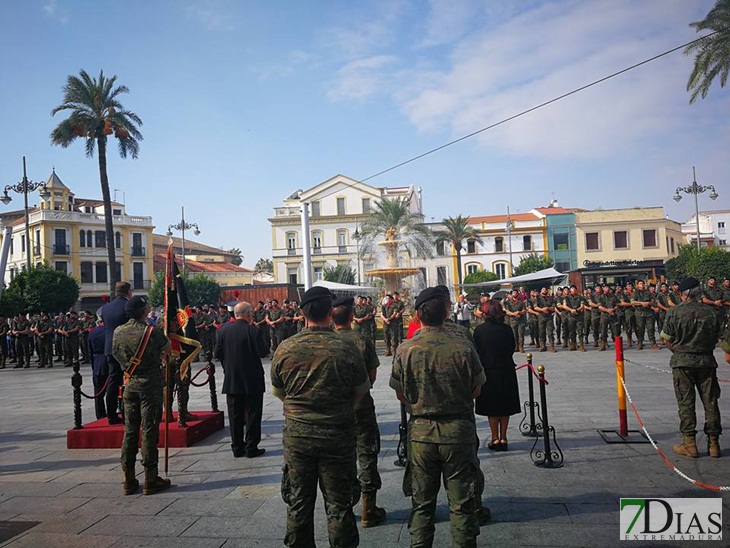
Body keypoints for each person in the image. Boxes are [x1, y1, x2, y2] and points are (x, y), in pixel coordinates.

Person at [271, 286, 370, 547]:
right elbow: (360, 392)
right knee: (339, 505)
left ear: (302, 313)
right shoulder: (346, 347)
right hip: (337, 435)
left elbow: (279, 392)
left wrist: (300, 409)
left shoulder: (285, 348)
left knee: (298, 503)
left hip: (298, 437)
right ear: (329, 311)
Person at [391, 287, 486, 547]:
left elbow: (401, 394)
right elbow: (477, 388)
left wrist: (420, 404)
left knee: (422, 506)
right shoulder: (463, 345)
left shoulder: (405, 349)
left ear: (418, 315)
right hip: (458, 432)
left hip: (421, 435)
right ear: (446, 312)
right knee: (462, 505)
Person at [332, 296, 387, 528]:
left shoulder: (327, 341)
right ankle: (368, 508)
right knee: (367, 455)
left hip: (335, 412)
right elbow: (372, 376)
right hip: (362, 406)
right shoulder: (362, 340)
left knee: (338, 459)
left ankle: (342, 506)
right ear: (352, 316)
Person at [113, 295, 172, 495]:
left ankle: (128, 479)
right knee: (148, 430)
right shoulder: (151, 332)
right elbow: (168, 350)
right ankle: (150, 478)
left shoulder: (118, 331)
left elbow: (115, 353)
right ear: (143, 311)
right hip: (150, 386)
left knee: (130, 431)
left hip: (129, 384)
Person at [660, 277, 722, 459]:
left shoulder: (674, 312)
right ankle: (714, 444)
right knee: (710, 402)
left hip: (682, 363)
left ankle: (690, 444)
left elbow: (666, 338)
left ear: (682, 294)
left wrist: (679, 350)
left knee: (686, 403)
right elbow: (720, 337)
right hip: (706, 362)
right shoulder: (711, 312)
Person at [215, 301, 268, 458]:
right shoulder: (253, 331)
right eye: (251, 313)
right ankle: (251, 447)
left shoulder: (223, 330)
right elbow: (263, 352)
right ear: (247, 314)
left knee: (235, 414)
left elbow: (218, 353)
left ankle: (237, 446)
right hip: (252, 378)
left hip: (232, 378)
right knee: (253, 413)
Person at [473, 299, 521, 450]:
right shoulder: (506, 329)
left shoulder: (479, 330)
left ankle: (494, 438)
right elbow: (512, 347)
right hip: (506, 369)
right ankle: (504, 437)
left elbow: (477, 351)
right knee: (504, 406)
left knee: (492, 407)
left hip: (488, 371)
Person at [101, 281, 132, 424]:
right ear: (128, 292)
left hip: (109, 347)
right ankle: (128, 412)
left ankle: (111, 415)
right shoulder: (128, 306)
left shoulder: (105, 308)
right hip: (126, 348)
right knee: (130, 379)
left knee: (113, 381)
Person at [88, 320, 108, 420]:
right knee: (112, 391)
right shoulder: (110, 331)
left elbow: (90, 352)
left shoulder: (92, 333)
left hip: (97, 363)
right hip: (109, 362)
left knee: (98, 393)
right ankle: (112, 412)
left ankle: (100, 414)